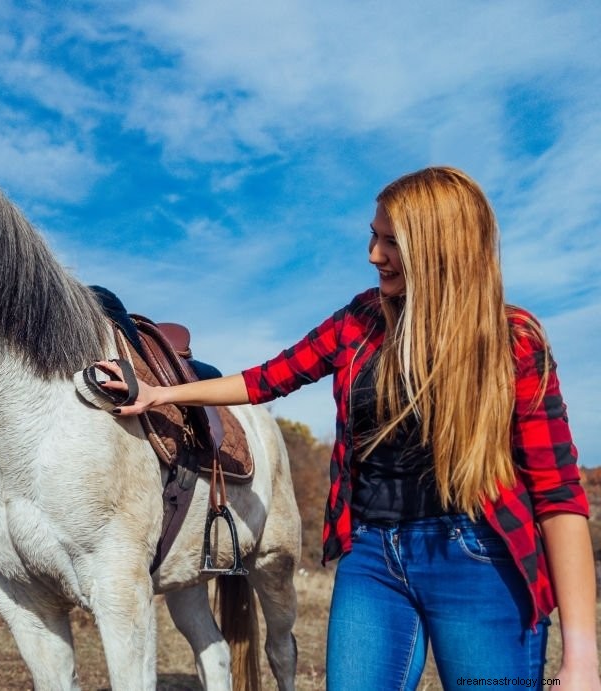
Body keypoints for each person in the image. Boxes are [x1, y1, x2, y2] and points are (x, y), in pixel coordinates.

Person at [97, 167, 599, 690]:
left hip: (479, 557)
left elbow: (558, 496)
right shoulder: (360, 319)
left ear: (441, 248)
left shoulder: (512, 341)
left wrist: (582, 657)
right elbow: (267, 378)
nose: (373, 255)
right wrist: (160, 394)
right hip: (372, 557)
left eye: (391, 242)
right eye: (373, 236)